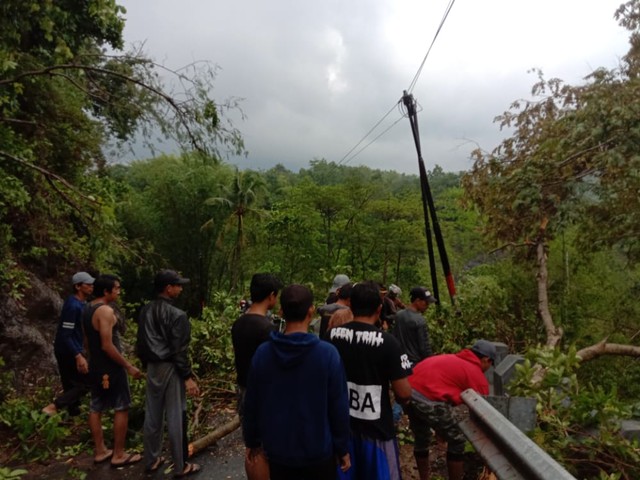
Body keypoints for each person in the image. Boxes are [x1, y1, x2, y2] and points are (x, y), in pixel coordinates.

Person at [243, 284, 351, 480]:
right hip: (318, 454)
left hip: (276, 453)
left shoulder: (263, 353)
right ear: (311, 311)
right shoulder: (327, 354)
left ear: (281, 311)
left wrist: (252, 441)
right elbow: (339, 406)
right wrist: (342, 448)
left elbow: (251, 403)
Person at [328, 281, 412, 480]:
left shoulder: (331, 336)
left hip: (340, 428)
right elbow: (404, 393)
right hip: (376, 432)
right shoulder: (388, 343)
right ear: (379, 308)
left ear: (350, 305)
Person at [137, 269, 201, 477]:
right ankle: (181, 465)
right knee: (176, 415)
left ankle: (151, 459)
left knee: (153, 414)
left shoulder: (145, 310)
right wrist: (187, 377)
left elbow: (141, 343)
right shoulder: (178, 315)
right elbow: (179, 350)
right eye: (178, 285)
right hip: (171, 367)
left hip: (152, 366)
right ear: (168, 288)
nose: (181, 289)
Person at [405, 340, 496, 480]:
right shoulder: (475, 374)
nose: (488, 368)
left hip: (408, 392)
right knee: (457, 440)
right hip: (426, 398)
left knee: (422, 437)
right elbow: (482, 411)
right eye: (490, 364)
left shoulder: (452, 358)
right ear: (486, 360)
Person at [82, 274, 143, 467]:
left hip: (95, 365)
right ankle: (118, 454)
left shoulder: (87, 309)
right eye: (116, 288)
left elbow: (87, 341)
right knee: (121, 406)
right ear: (106, 291)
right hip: (111, 367)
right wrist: (128, 366)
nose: (118, 291)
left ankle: (100, 450)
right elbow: (107, 345)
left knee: (96, 406)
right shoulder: (106, 311)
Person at [43, 272, 95, 417]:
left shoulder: (81, 303)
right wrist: (78, 355)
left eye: (92, 284)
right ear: (78, 286)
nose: (91, 287)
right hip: (67, 350)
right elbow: (66, 334)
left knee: (70, 385)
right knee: (87, 382)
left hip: (71, 348)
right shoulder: (73, 306)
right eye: (88, 284)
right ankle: (53, 407)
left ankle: (73, 415)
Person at [231, 273, 283, 416]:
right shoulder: (267, 329)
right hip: (261, 392)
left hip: (242, 387)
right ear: (271, 296)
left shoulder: (238, 323)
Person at [392, 287, 437, 367]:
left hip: (400, 362)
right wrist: (432, 362)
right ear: (417, 301)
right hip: (415, 364)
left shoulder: (399, 315)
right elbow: (424, 347)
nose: (428, 305)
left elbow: (394, 338)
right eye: (426, 302)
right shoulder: (419, 320)